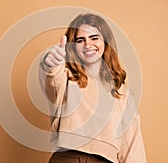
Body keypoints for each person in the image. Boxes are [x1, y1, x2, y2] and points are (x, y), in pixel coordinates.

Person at [39, 13, 147, 163]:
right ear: (73, 45)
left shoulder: (120, 92)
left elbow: (132, 146)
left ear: (106, 41)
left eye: (94, 38)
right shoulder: (65, 77)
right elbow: (51, 80)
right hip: (67, 158)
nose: (88, 45)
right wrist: (49, 62)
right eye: (80, 40)